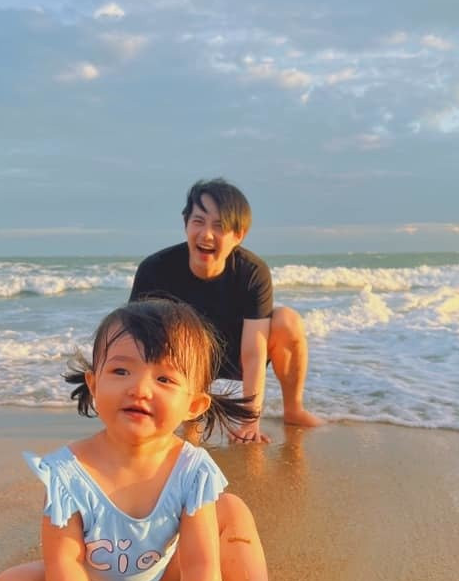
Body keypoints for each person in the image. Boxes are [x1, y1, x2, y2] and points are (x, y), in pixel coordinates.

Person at [0, 298, 305, 581]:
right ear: (93, 384)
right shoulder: (67, 472)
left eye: (165, 380)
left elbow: (199, 563)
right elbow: (63, 565)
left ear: (194, 405)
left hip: (162, 576)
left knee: (231, 510)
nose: (139, 388)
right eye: (121, 370)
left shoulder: (191, 469)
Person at [129, 177, 324, 443]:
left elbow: (254, 352)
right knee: (159, 331)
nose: (206, 234)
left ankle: (293, 410)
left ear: (238, 235)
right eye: (198, 221)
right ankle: (187, 412)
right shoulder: (155, 269)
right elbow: (137, 342)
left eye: (219, 226)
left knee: (287, 321)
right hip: (185, 358)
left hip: (237, 354)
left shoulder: (252, 272)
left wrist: (249, 420)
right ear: (185, 223)